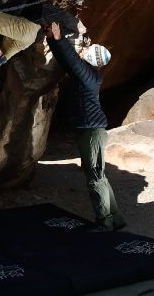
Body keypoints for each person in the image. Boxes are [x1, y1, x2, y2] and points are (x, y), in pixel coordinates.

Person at [45, 21, 125, 231]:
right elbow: (69, 63)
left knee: (95, 177)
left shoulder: (88, 75)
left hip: (91, 132)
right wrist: (52, 40)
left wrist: (59, 38)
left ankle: (104, 221)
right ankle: (115, 218)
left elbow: (72, 60)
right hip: (92, 130)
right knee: (99, 174)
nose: (83, 51)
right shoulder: (89, 75)